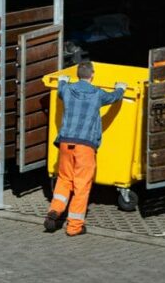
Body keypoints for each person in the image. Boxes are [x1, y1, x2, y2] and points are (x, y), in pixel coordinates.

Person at [44, 61, 126, 236]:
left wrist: (63, 80)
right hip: (85, 145)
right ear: (92, 75)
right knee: (81, 185)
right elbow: (114, 97)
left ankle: (55, 211)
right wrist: (120, 88)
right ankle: (74, 226)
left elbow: (60, 87)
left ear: (77, 75)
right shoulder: (97, 94)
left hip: (65, 142)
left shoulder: (66, 89)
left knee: (64, 179)